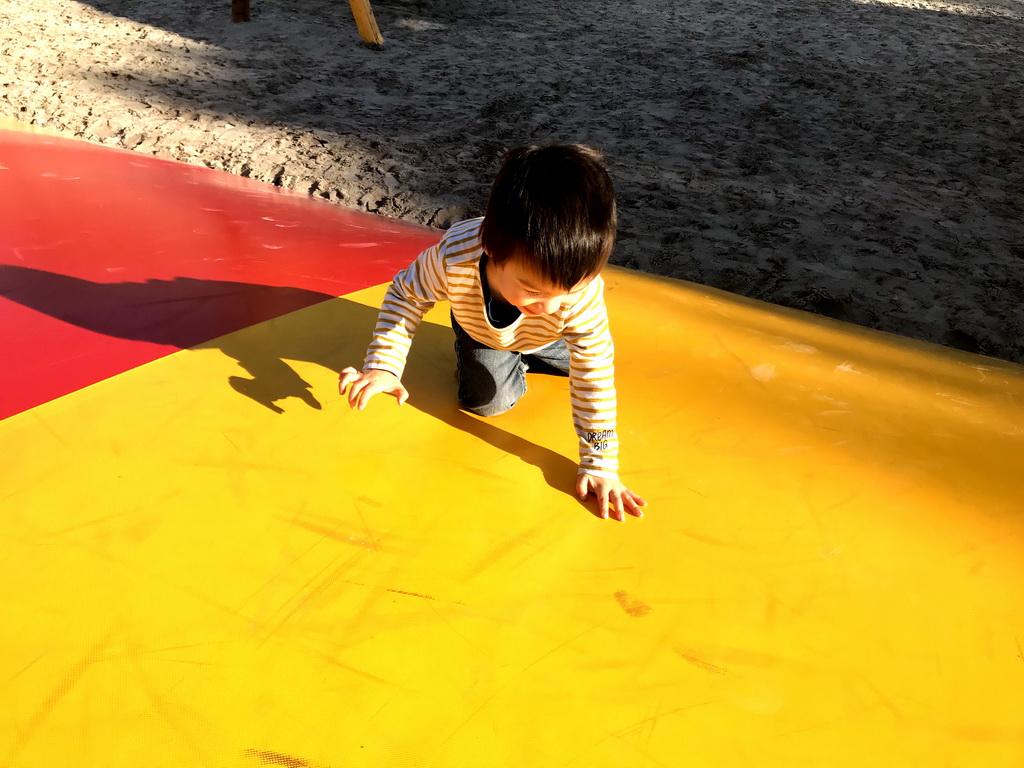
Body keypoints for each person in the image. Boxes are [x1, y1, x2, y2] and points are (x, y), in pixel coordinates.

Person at [339, 143, 646, 522]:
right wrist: (383, 366)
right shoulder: (455, 257)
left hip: (550, 336)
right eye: (532, 289)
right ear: (490, 248)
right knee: (487, 402)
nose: (549, 304)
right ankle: (508, 355)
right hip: (482, 329)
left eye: (568, 290)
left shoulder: (577, 301)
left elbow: (594, 372)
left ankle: (535, 351)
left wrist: (600, 462)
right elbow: (407, 293)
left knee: (585, 366)